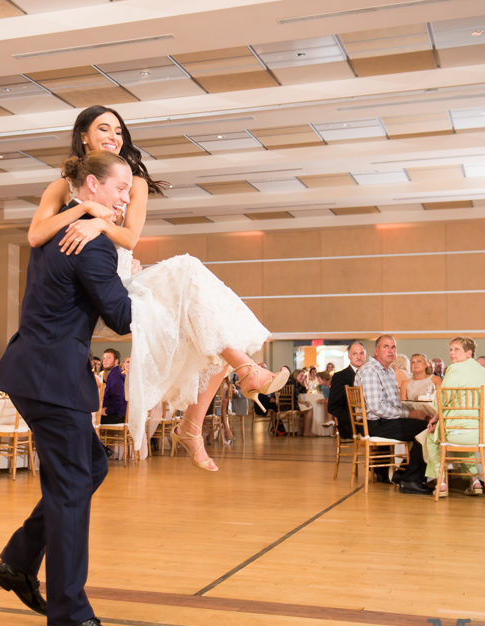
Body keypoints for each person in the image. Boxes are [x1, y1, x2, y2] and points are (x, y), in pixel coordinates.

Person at [26, 114, 289, 472]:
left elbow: (131, 238)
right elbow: (35, 235)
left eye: (119, 131)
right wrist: (86, 211)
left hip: (122, 277)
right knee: (189, 277)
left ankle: (197, 420)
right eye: (104, 129)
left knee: (205, 305)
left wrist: (101, 223)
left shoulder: (132, 182)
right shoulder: (62, 188)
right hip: (100, 292)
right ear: (83, 137)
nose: (114, 136)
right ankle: (239, 377)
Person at [0, 152, 135, 626]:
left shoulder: (61, 228)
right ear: (92, 184)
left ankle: (19, 560)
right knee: (73, 485)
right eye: (121, 189)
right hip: (52, 376)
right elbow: (120, 315)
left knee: (88, 469)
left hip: (36, 370)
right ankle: (70, 615)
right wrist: (165, 298)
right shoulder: (89, 243)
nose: (126, 199)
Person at [423, 337, 485, 497]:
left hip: (466, 432)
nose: (452, 353)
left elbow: (442, 399)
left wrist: (436, 416)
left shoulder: (456, 369)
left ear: (469, 353)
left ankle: (442, 483)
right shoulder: (481, 370)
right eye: (451, 349)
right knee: (460, 434)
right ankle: (475, 482)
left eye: (457, 349)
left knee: (433, 436)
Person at [354, 335, 431, 495]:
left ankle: (402, 473)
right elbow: (377, 407)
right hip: (374, 424)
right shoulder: (370, 371)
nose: (391, 350)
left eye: (393, 347)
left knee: (426, 423)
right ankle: (410, 480)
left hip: (383, 421)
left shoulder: (387, 371)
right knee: (428, 428)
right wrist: (409, 414)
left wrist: (414, 413)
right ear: (376, 351)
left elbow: (394, 404)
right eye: (386, 347)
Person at [327, 342, 366, 441]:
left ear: (365, 356)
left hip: (371, 420)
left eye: (361, 353)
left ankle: (384, 456)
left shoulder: (372, 375)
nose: (359, 357)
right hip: (351, 424)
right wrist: (355, 419)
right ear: (349, 356)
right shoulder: (340, 377)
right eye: (355, 354)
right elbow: (333, 407)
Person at [100, 348, 125, 425]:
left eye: (108, 358)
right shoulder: (117, 373)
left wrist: (107, 411)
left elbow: (119, 397)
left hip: (117, 415)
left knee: (88, 420)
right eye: (104, 358)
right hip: (119, 413)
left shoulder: (115, 375)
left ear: (116, 361)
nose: (105, 360)